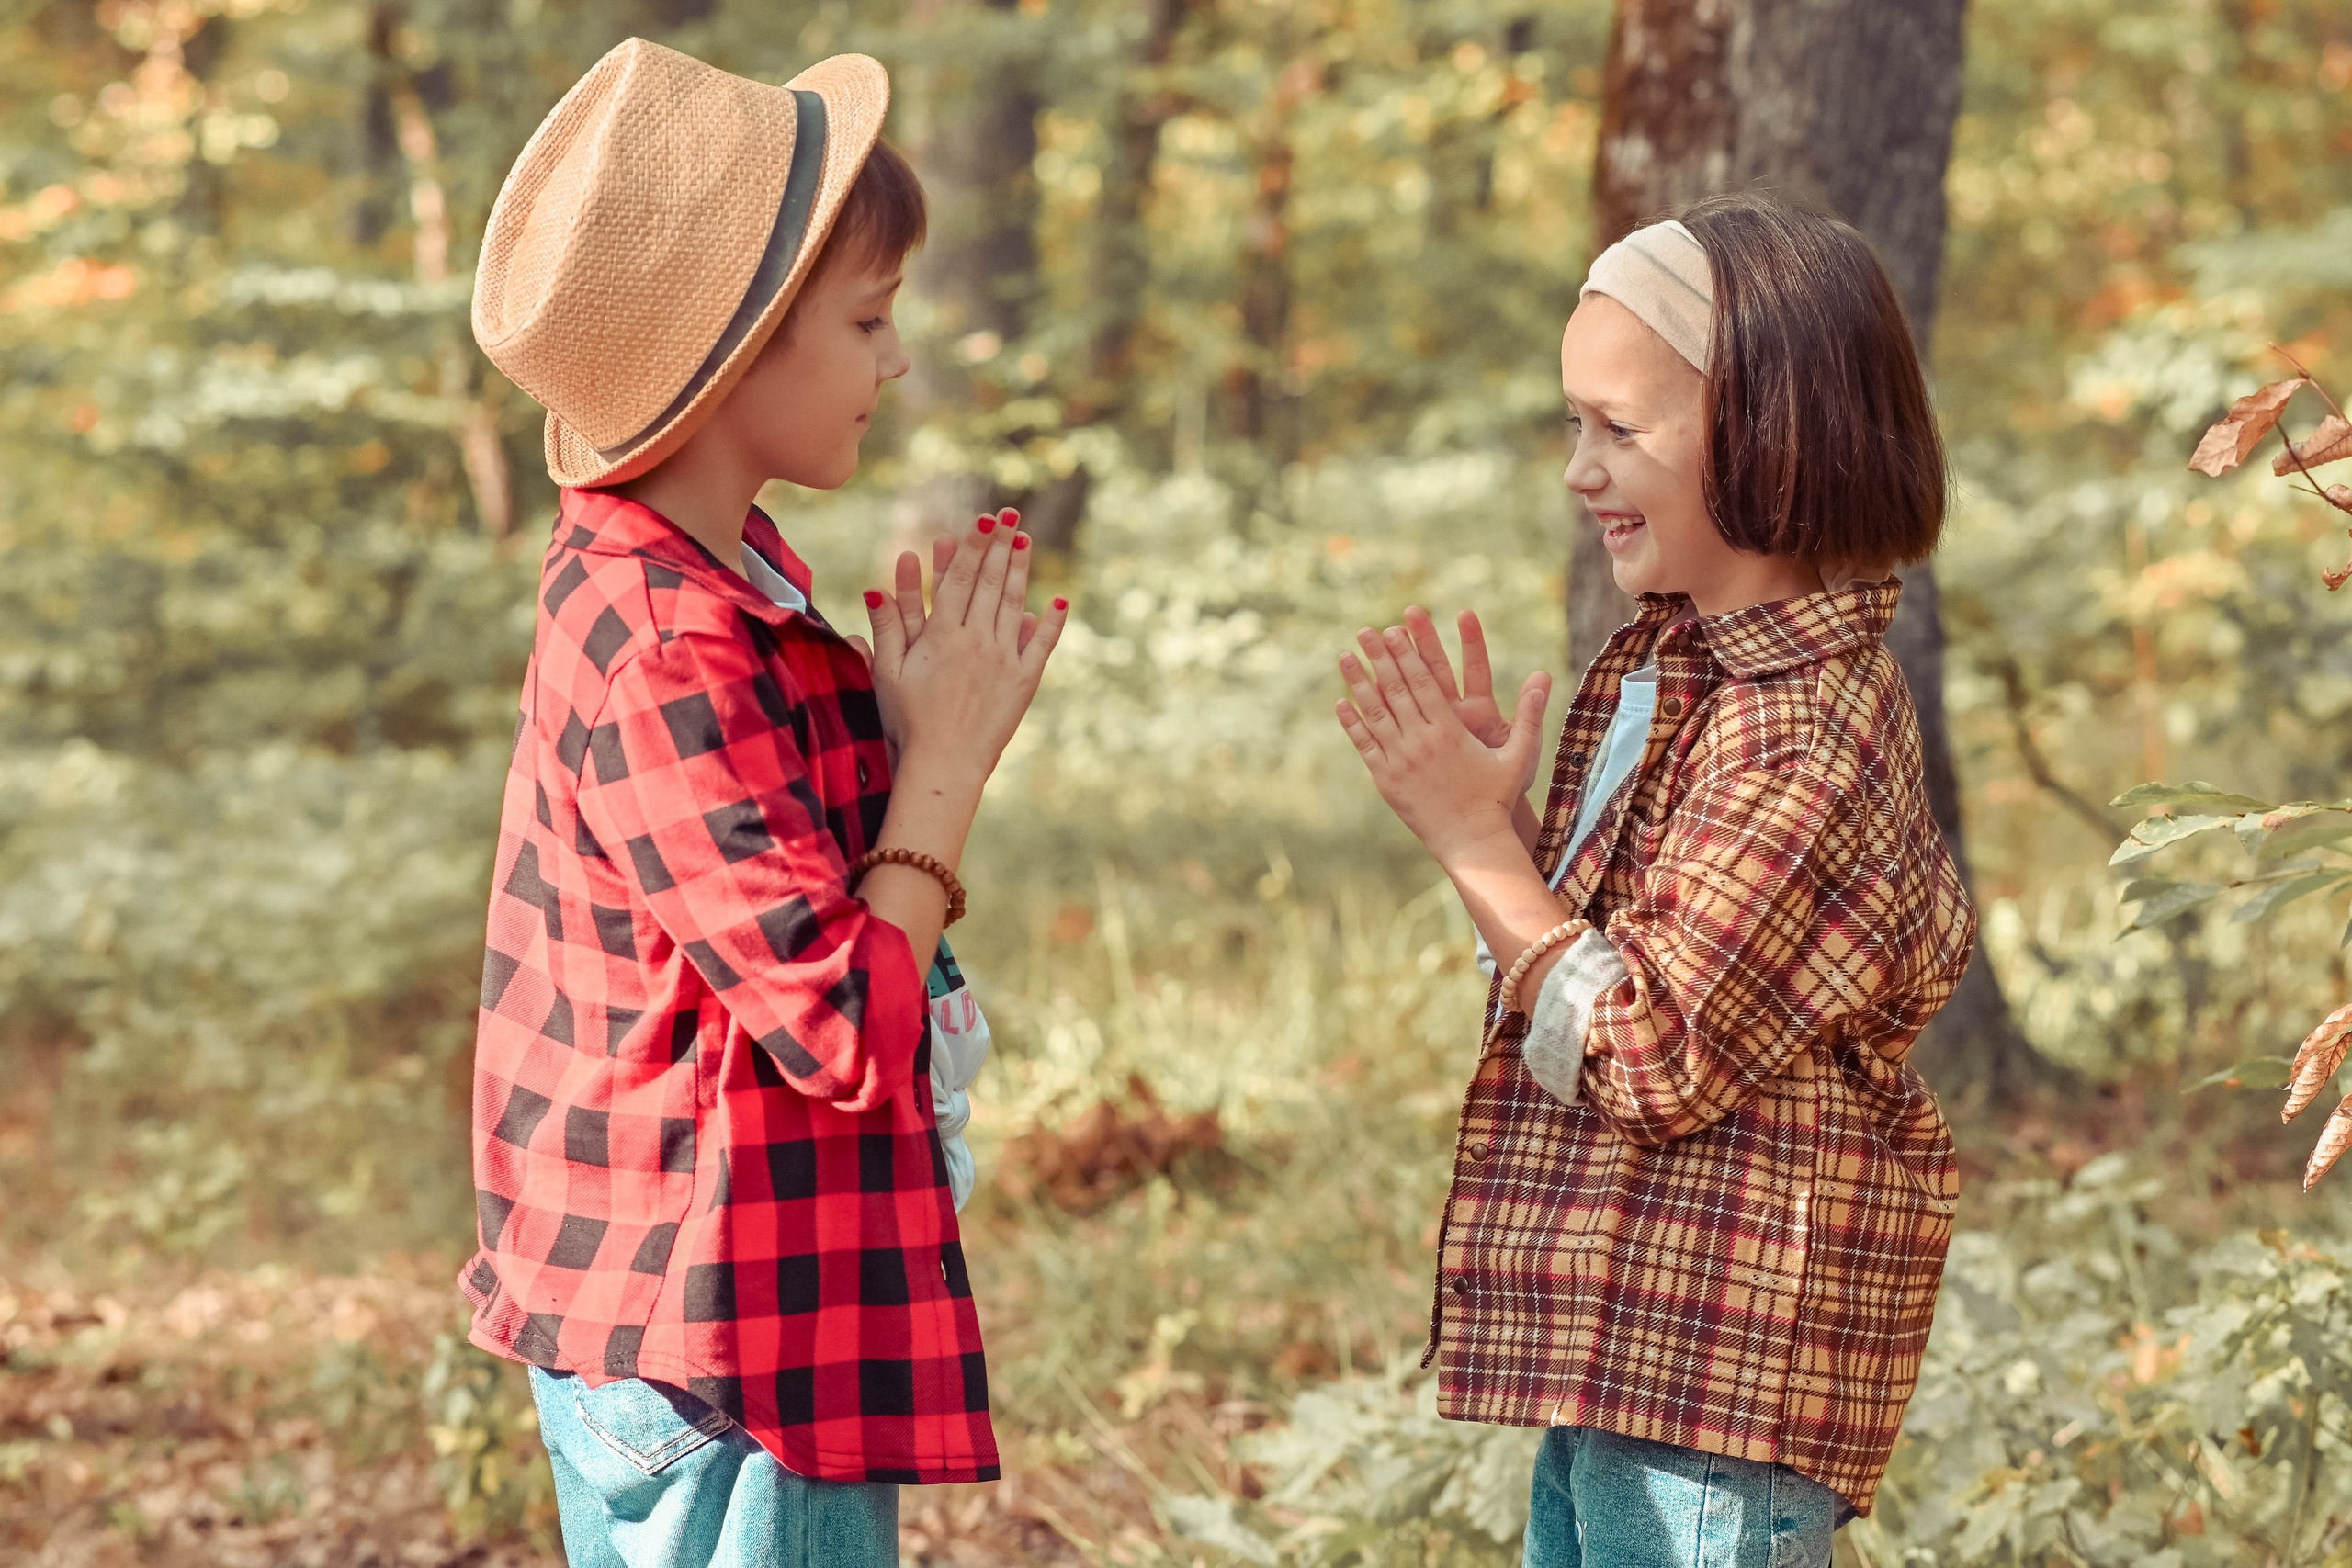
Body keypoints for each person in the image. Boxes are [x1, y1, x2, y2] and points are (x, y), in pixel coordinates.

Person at [456, 39, 1064, 1567]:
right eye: (866, 319)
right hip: (720, 1347)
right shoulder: (673, 640)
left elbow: (767, 903)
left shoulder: (714, 574)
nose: (896, 360)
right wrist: (945, 773)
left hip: (700, 1309)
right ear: (736, 356)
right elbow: (839, 1025)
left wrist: (895, 736)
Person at [1332, 193, 1977, 1567]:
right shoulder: (1683, 665)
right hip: (1633, 1340)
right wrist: (1507, 836)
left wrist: (1471, 843)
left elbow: (1651, 1051)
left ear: (1770, 431)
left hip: (1721, 1370)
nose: (1580, 469)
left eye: (1618, 429)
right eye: (1575, 425)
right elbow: (1601, 969)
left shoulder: (1796, 727)